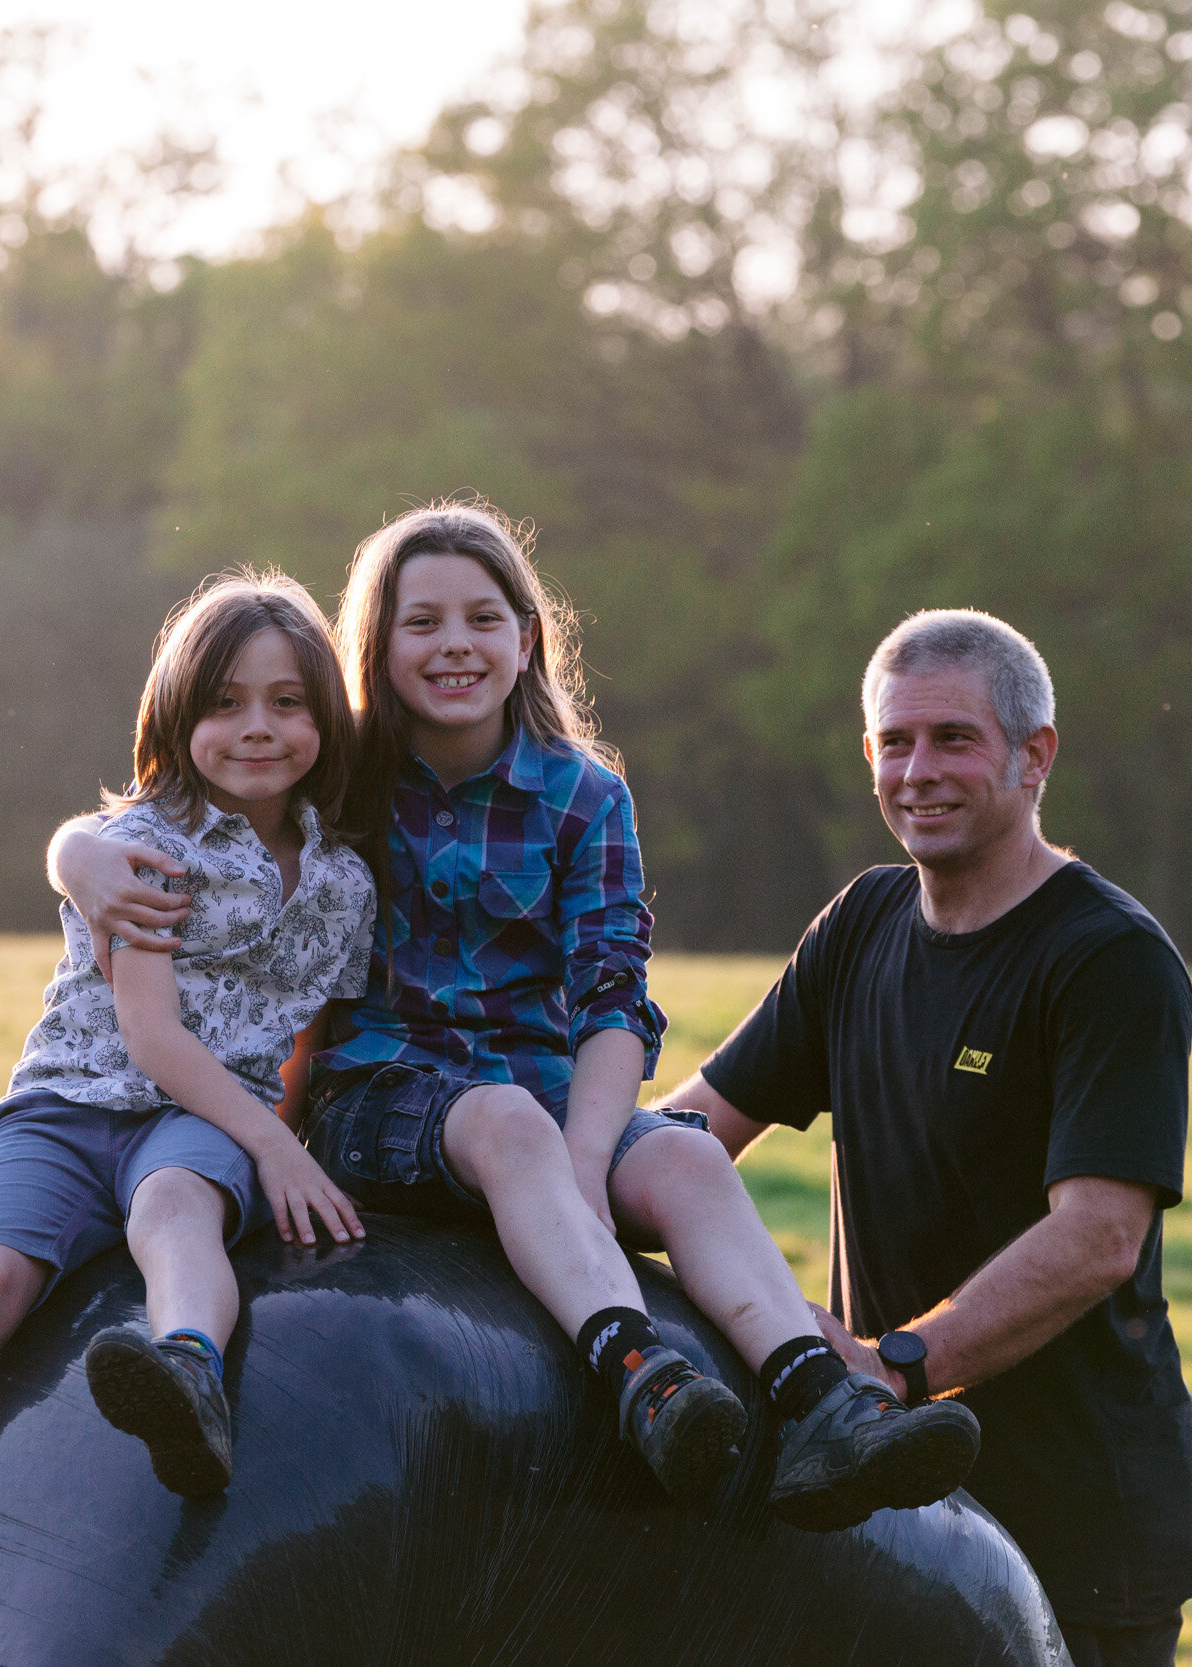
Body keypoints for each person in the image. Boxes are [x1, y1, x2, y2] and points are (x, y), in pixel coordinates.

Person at [56, 502, 979, 1530]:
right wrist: (74, 851)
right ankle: (643, 1373)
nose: (455, 642)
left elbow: (612, 996)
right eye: (422, 622)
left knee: (686, 1159)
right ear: (377, 645)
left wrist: (587, 1163)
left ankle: (820, 1404)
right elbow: (181, 793)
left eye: (484, 617)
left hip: (543, 1100)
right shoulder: (344, 770)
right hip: (383, 1097)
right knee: (503, 1121)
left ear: (526, 636)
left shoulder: (585, 796)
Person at [0, 573, 377, 1646]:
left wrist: (284, 1144)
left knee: (178, 1210)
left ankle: (185, 1364)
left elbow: (306, 1037)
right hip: (65, 1108)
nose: (258, 728)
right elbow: (149, 1035)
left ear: (327, 717)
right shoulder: (145, 844)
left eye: (288, 702)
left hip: (202, 1119)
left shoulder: (342, 880)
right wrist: (274, 1145)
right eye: (226, 702)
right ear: (178, 716)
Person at [656, 610, 1192, 1665]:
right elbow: (686, 1132)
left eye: (953, 737)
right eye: (894, 742)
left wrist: (892, 1365)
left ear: (1033, 753)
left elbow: (1099, 1234)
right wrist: (525, 1182)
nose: (918, 769)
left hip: (1080, 1519)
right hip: (895, 1499)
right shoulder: (863, 922)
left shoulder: (1107, 959)